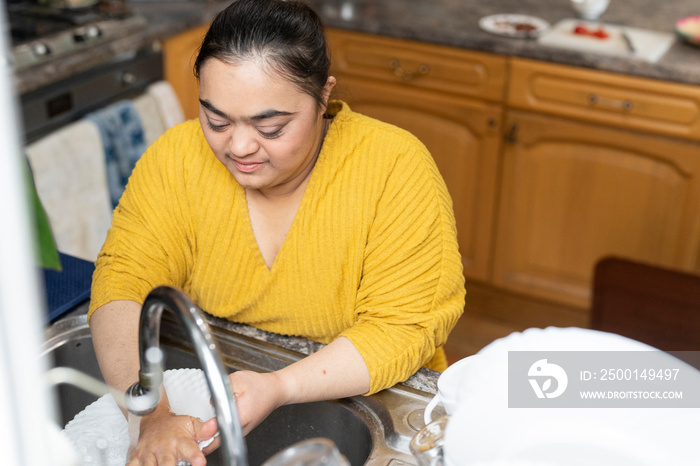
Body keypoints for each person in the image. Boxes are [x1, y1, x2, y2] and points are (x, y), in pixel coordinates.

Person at [88, 0, 466, 464]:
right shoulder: (175, 160)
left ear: (323, 95)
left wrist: (279, 386)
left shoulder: (394, 168)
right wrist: (150, 414)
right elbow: (121, 282)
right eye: (217, 120)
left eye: (270, 125)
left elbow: (401, 326)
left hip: (376, 402)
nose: (240, 146)